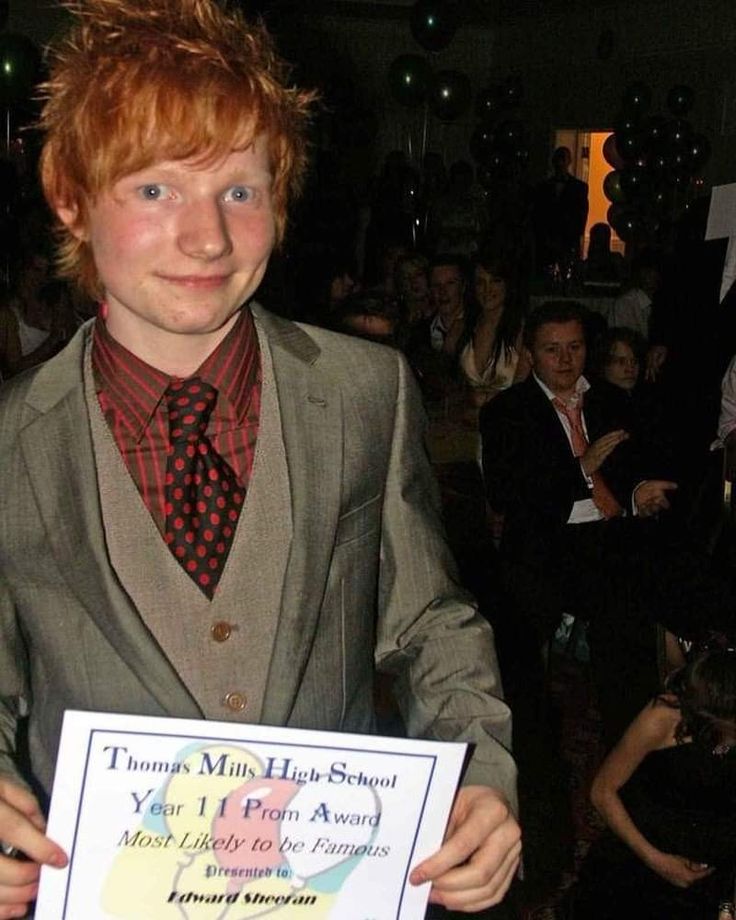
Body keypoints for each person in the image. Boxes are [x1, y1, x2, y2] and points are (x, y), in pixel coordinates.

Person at [0, 1, 521, 916]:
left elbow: (430, 617)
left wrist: (479, 766)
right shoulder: (11, 443)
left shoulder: (365, 394)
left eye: (239, 190)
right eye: (156, 189)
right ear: (72, 198)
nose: (209, 238)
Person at [480, 301, 678, 742]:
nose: (566, 360)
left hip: (615, 531)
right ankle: (551, 741)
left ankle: (648, 730)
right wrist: (580, 469)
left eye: (575, 347)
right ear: (530, 354)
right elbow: (506, 495)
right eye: (553, 350)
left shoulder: (611, 399)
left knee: (652, 581)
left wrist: (637, 494)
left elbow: (636, 465)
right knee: (576, 603)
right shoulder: (508, 412)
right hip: (548, 540)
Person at [567, 648, 736, 919]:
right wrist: (656, 861)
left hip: (716, 858)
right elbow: (601, 791)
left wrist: (729, 900)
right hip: (648, 849)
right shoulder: (665, 716)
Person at [457, 250, 529, 407]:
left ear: (508, 284)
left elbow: (524, 392)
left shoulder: (521, 329)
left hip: (509, 420)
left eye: (495, 281)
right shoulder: (463, 326)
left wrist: (487, 399)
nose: (487, 289)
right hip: (467, 421)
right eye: (480, 282)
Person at [533, 146, 589, 275]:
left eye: (563, 159)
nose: (560, 163)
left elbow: (581, 216)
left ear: (569, 161)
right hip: (548, 241)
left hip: (568, 241)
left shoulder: (579, 187)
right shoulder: (543, 187)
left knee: (567, 271)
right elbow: (538, 215)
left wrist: (574, 236)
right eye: (558, 159)